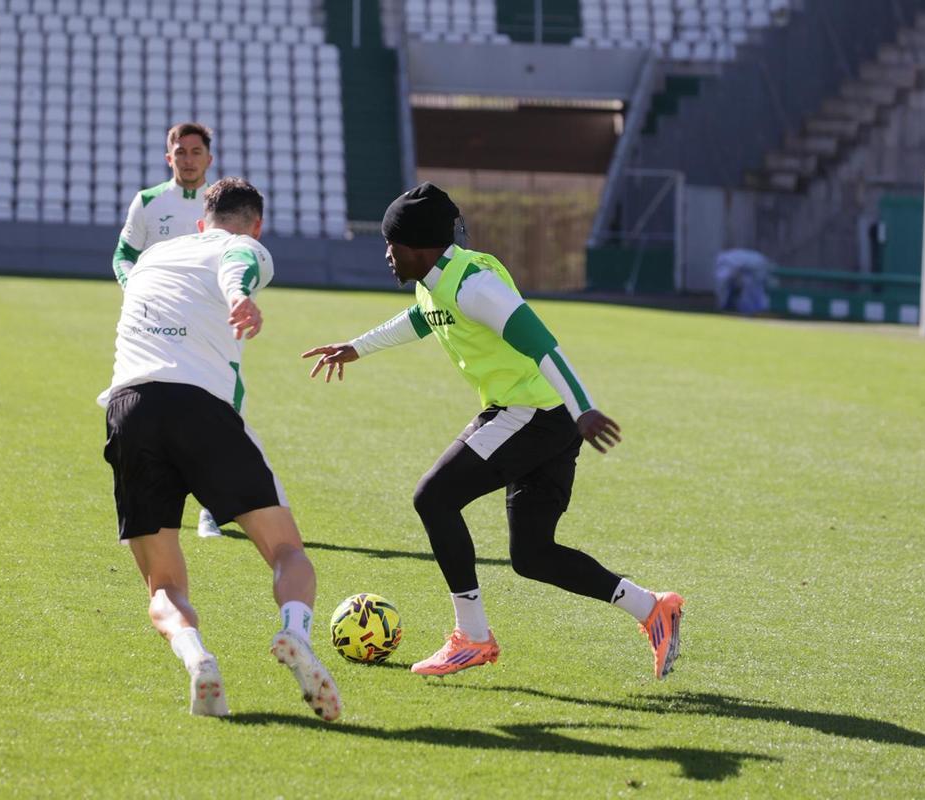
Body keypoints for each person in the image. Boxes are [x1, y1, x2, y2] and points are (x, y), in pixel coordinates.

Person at [302, 183, 684, 679]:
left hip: (532, 414)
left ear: (417, 247)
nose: (387, 256)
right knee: (533, 555)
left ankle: (473, 638)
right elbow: (422, 318)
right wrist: (357, 346)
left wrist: (584, 408)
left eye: (390, 245)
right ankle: (652, 607)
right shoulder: (436, 280)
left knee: (433, 498)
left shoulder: (474, 286)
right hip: (542, 418)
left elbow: (543, 343)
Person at [101, 177, 341, 719]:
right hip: (202, 409)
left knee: (163, 583)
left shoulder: (157, 254)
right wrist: (240, 299)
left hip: (129, 408)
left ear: (199, 221)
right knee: (287, 552)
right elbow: (240, 268)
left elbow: (128, 265)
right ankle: (295, 633)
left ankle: (197, 658)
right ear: (256, 225)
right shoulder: (246, 245)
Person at [110, 121, 223, 539]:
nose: (188, 160)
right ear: (168, 156)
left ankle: (211, 506)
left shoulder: (222, 204)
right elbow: (123, 255)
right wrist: (134, 286)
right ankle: (149, 502)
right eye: (181, 152)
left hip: (208, 326)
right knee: (149, 411)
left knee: (218, 411)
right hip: (153, 326)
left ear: (209, 159)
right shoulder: (149, 202)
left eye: (196, 152)